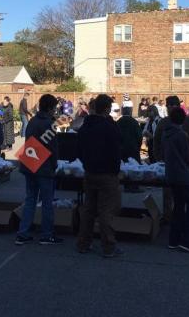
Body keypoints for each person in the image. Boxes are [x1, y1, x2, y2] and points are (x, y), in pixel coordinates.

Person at [76, 94, 123, 258]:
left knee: (89, 210)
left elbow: (79, 147)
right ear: (107, 109)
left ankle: (83, 243)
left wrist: (86, 163)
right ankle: (108, 246)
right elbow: (117, 149)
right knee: (106, 212)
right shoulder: (110, 127)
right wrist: (115, 170)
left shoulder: (85, 126)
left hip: (89, 172)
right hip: (107, 174)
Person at [15, 94, 63, 246]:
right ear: (49, 108)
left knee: (30, 199)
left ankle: (22, 233)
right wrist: (55, 165)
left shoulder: (33, 121)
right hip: (44, 167)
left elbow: (29, 143)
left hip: (29, 163)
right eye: (54, 108)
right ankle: (46, 234)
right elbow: (53, 148)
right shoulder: (50, 124)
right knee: (47, 201)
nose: (55, 111)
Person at [154, 96, 189, 223]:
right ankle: (168, 218)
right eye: (168, 105)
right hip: (170, 165)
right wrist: (159, 159)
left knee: (183, 198)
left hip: (185, 167)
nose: (169, 108)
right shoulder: (163, 122)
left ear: (177, 106)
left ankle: (181, 221)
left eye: (171, 105)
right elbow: (156, 142)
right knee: (169, 195)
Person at [162, 107, 189, 254]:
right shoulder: (181, 135)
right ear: (183, 120)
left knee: (178, 206)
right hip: (183, 175)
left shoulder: (166, 133)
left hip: (171, 174)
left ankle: (174, 239)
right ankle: (188, 240)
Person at [117, 106, 143, 193]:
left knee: (124, 166)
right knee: (134, 166)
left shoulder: (118, 122)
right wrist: (138, 146)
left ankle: (126, 184)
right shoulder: (134, 122)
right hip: (133, 148)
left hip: (122, 148)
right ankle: (135, 185)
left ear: (122, 112)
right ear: (130, 112)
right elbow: (139, 136)